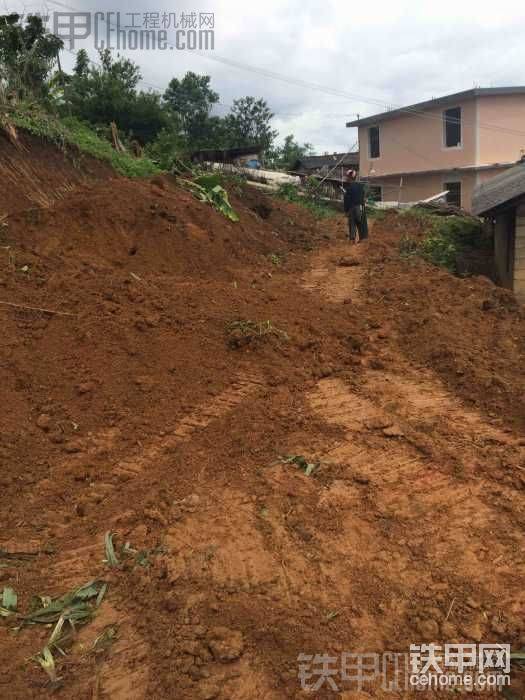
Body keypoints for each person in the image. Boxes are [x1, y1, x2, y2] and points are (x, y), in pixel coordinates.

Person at [343, 170, 368, 243]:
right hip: (360, 207)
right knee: (361, 222)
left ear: (349, 178)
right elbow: (363, 196)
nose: (346, 178)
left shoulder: (348, 188)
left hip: (352, 208)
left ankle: (352, 239)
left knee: (352, 223)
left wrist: (346, 210)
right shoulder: (361, 186)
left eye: (347, 177)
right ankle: (363, 238)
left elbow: (347, 200)